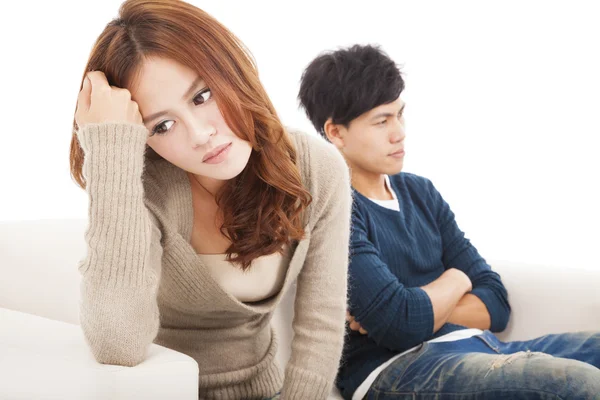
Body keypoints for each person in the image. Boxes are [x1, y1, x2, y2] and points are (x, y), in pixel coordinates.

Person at [69, 1, 352, 398]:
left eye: (202, 96)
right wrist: (110, 151)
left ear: (232, 70)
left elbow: (320, 325)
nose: (200, 134)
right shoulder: (143, 187)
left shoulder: (316, 169)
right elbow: (117, 343)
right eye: (163, 125)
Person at [298, 44, 600, 400]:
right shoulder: (336, 207)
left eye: (400, 115)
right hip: (398, 370)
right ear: (335, 133)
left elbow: (496, 302)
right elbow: (401, 326)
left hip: (480, 349)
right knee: (576, 384)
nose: (399, 133)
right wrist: (457, 278)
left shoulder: (419, 192)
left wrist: (417, 312)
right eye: (382, 121)